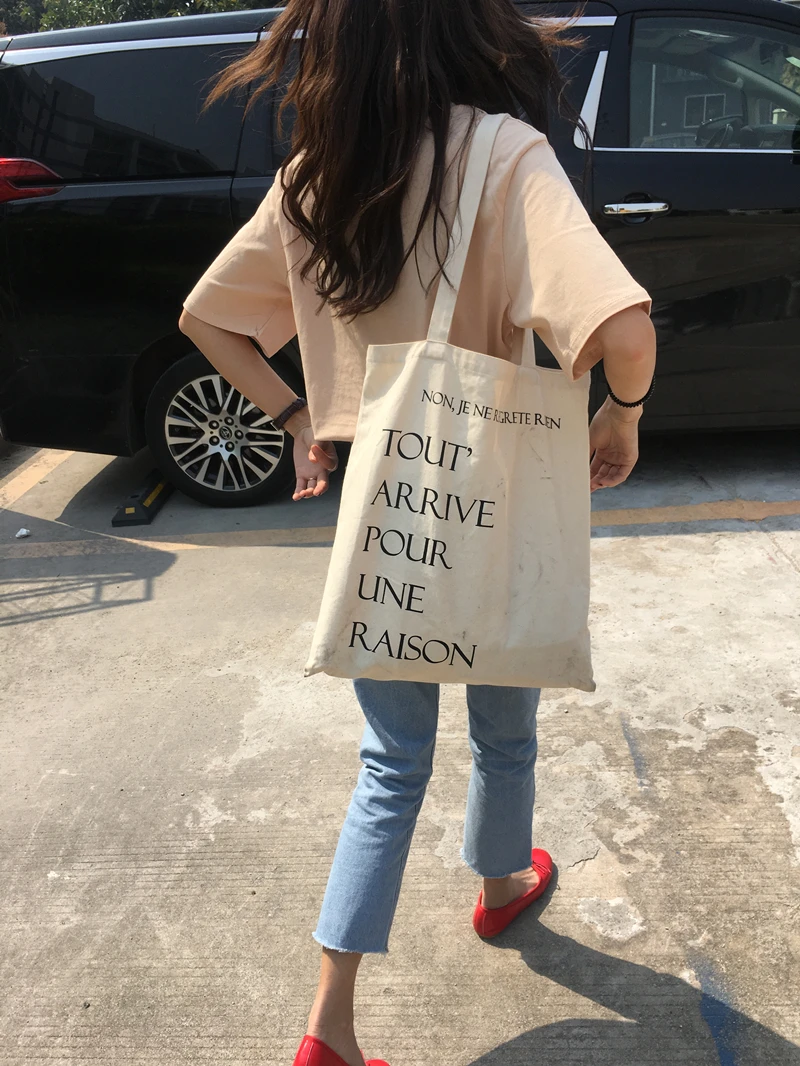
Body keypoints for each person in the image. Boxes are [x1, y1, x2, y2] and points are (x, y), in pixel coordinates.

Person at [179, 1, 657, 1062]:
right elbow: (625, 331)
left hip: (381, 508)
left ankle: (329, 1028)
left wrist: (300, 420)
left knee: (391, 760)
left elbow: (206, 318)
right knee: (504, 729)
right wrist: (620, 414)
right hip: (492, 493)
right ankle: (501, 884)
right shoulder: (504, 154)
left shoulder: (316, 175)